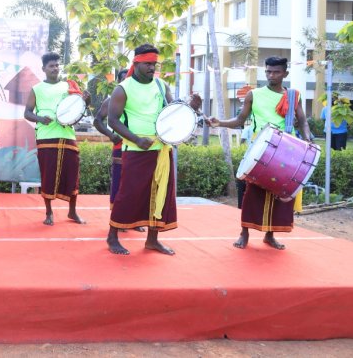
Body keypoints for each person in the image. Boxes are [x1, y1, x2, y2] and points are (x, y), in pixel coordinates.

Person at [106, 44, 201, 256]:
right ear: (136, 63)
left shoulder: (160, 85)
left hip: (161, 149)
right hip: (135, 150)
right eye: (147, 63)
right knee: (128, 194)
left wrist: (189, 107)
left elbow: (172, 111)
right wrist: (137, 139)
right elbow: (113, 120)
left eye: (154, 64)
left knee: (160, 194)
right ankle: (112, 236)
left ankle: (152, 240)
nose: (152, 67)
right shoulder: (123, 88)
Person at [208, 56, 312, 250]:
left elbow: (303, 121)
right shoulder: (253, 94)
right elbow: (240, 120)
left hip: (285, 149)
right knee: (251, 193)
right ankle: (244, 233)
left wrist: (307, 137)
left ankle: (269, 235)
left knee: (278, 193)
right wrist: (220, 122)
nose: (271, 75)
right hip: (260, 148)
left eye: (276, 72)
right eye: (268, 71)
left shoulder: (293, 96)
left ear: (285, 74)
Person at [24, 52, 86, 225]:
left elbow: (77, 111)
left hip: (67, 135)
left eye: (57, 65)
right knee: (48, 175)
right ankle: (49, 213)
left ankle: (72, 212)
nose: (55, 68)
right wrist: (40, 119)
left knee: (72, 175)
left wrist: (85, 102)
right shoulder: (37, 89)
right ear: (44, 69)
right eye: (51, 66)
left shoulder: (69, 86)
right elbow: (27, 112)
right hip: (46, 136)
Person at [94, 70, 145, 233]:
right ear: (119, 82)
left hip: (139, 147)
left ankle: (135, 220)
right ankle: (118, 220)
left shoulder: (140, 100)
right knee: (121, 183)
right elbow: (97, 121)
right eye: (125, 79)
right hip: (120, 147)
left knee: (137, 184)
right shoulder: (111, 100)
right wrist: (111, 135)